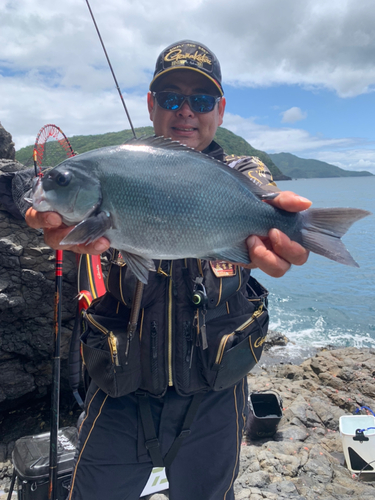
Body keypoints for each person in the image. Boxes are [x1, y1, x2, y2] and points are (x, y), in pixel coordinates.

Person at [24, 41, 310, 500]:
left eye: (199, 100)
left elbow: (264, 194)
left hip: (216, 397)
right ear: (151, 105)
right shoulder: (121, 164)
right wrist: (44, 214)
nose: (185, 112)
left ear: (219, 108)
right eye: (171, 98)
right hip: (120, 391)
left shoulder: (242, 171)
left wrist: (285, 225)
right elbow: (36, 198)